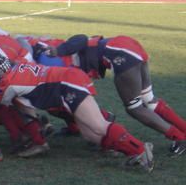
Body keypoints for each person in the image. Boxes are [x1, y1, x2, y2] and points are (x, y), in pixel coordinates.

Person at [0, 55, 155, 172]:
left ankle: (140, 149)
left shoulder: (9, 85)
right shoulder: (18, 66)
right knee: (88, 133)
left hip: (67, 84)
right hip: (67, 80)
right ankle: (130, 151)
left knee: (98, 125)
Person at [47, 34, 186, 155]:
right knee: (149, 100)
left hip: (118, 52)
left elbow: (81, 38)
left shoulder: (59, 54)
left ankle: (179, 137)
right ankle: (183, 130)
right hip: (126, 45)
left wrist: (58, 50)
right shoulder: (61, 56)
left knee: (134, 108)